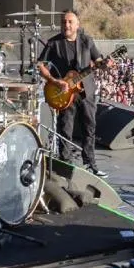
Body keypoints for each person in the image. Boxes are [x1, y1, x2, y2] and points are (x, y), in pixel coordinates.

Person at [37, 10, 111, 177]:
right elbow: (40, 65)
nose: (67, 25)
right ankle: (65, 164)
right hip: (64, 93)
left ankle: (91, 164)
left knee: (89, 128)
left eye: (70, 22)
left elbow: (98, 61)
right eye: (64, 22)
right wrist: (55, 81)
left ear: (78, 24)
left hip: (86, 91)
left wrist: (105, 64)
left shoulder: (87, 41)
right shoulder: (53, 43)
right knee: (65, 128)